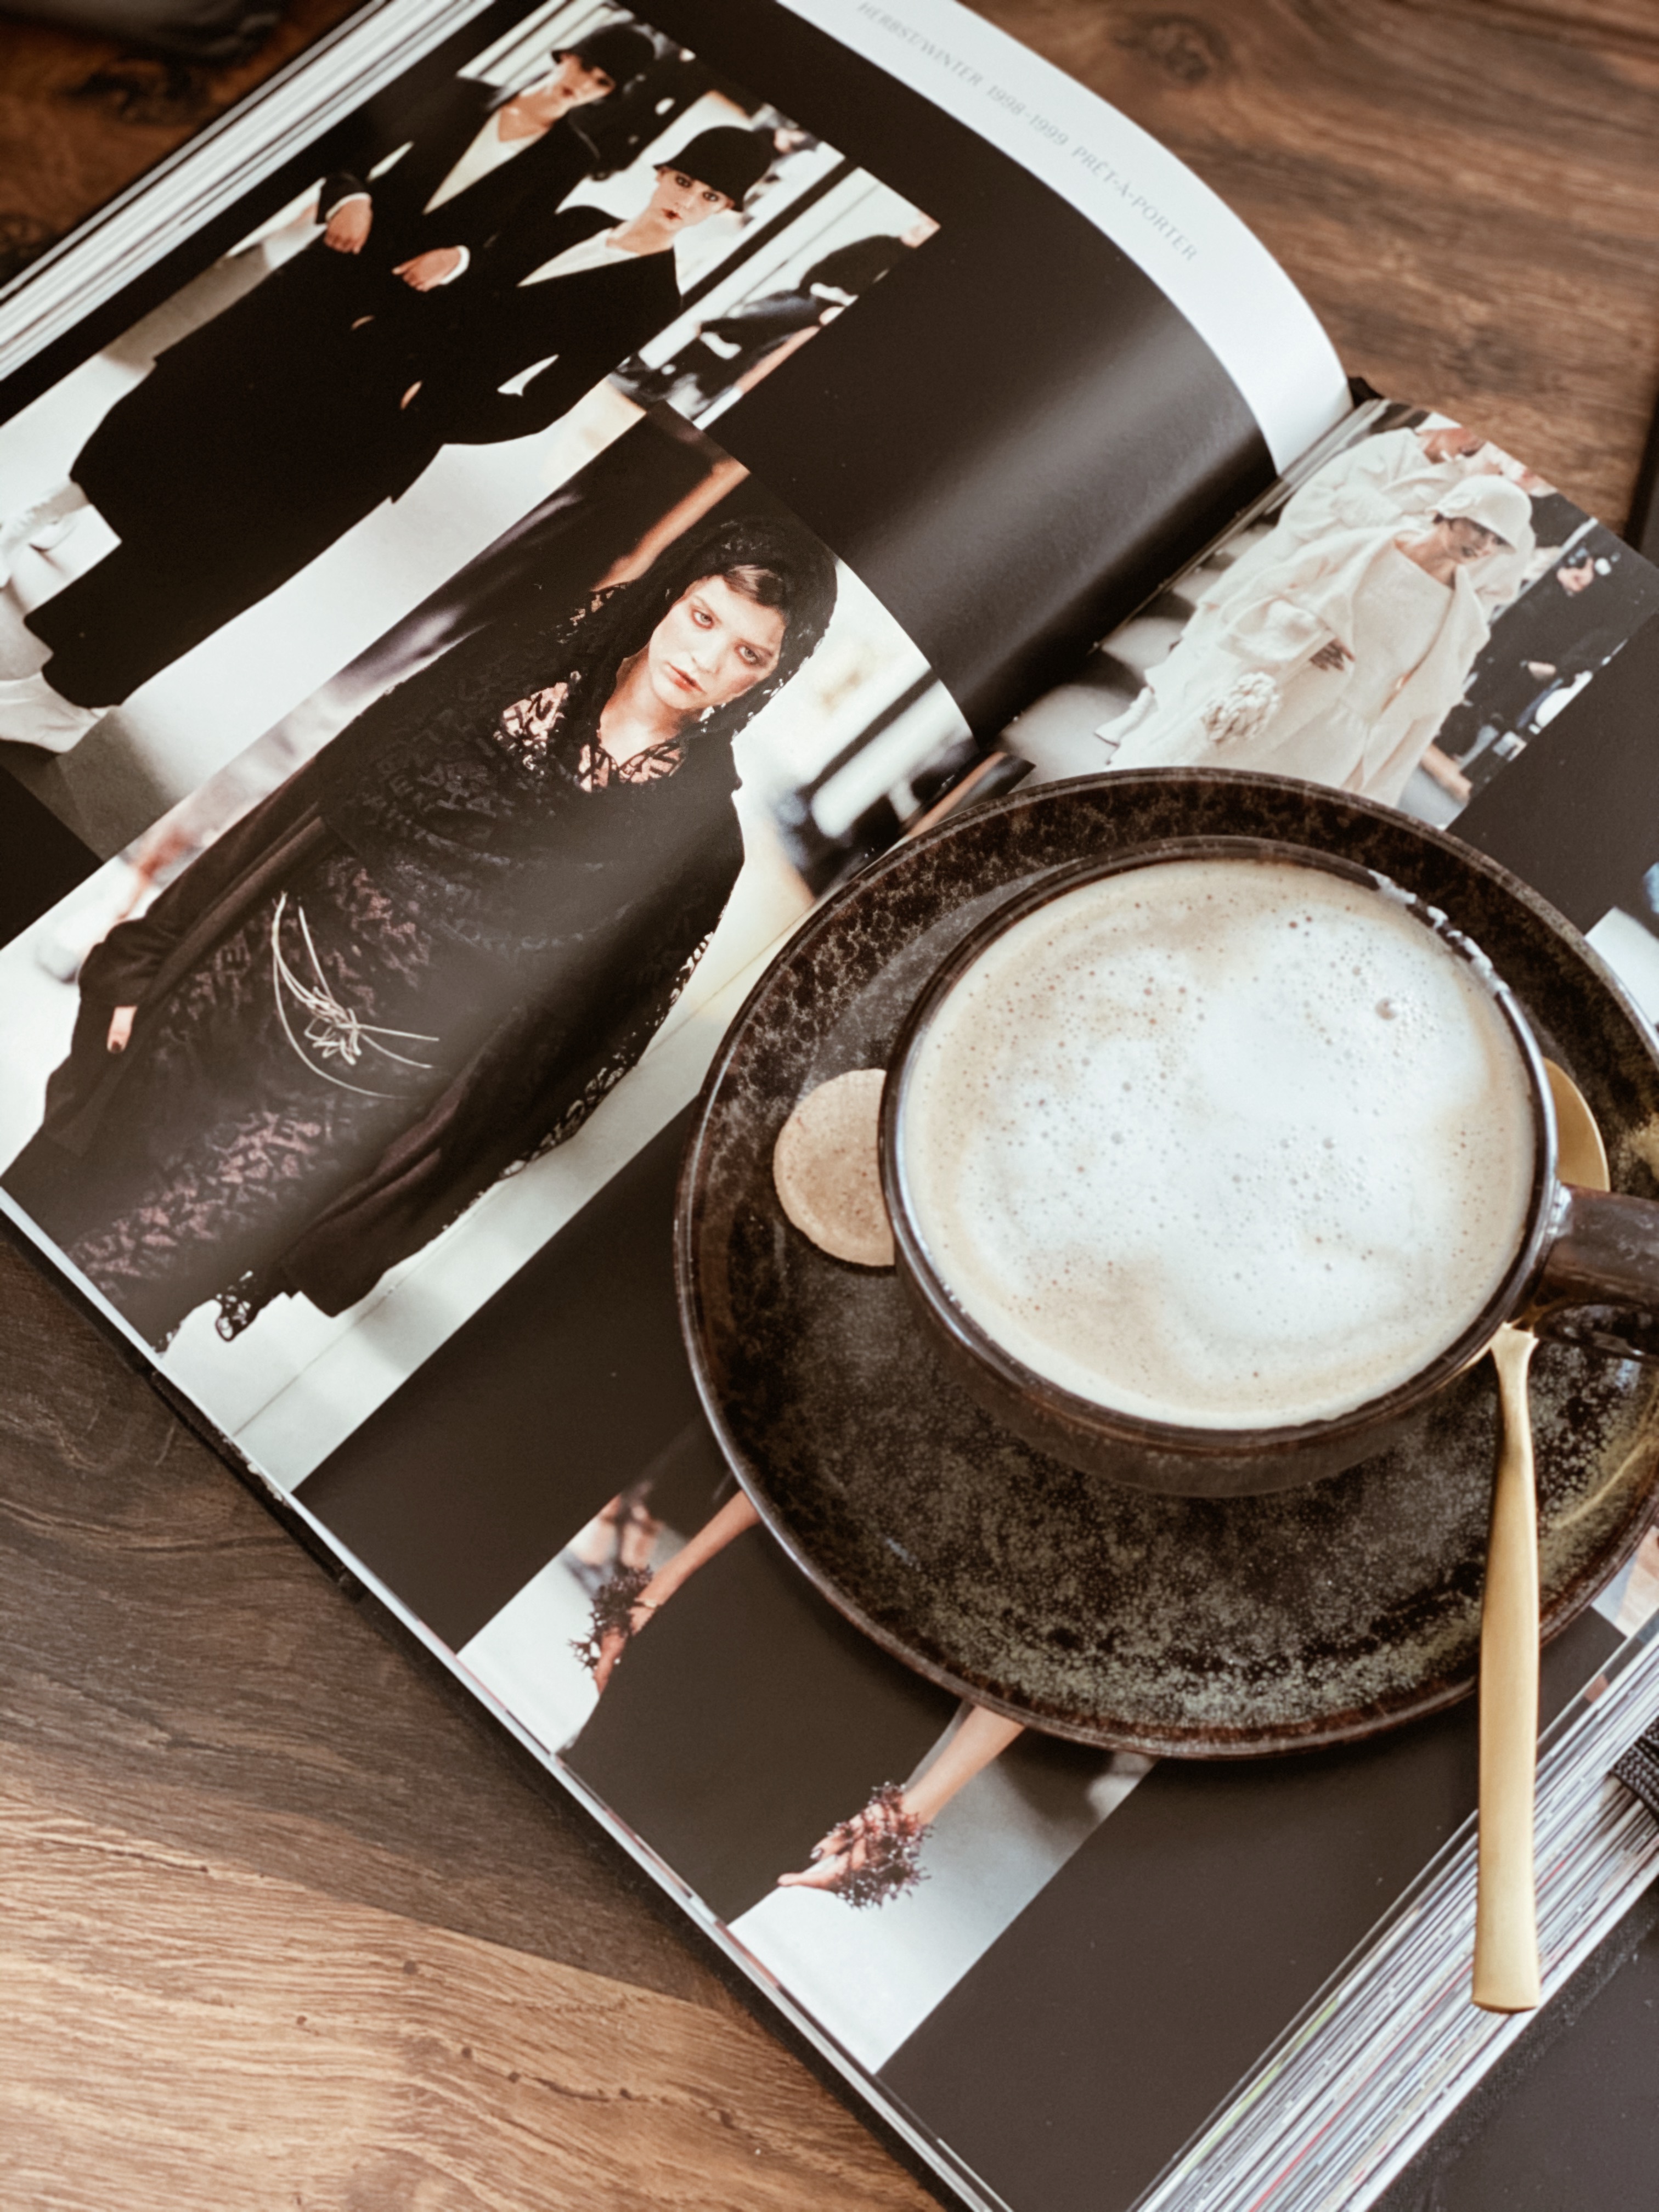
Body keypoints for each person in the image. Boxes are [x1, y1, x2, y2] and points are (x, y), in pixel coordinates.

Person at [3, 510, 837, 1350]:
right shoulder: (509, 665)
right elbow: (306, 805)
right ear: (673, 593)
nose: (707, 660)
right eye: (704, 617)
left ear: (772, 676)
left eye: (749, 654)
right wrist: (148, 955)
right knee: (44, 1207)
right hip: (226, 993)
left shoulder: (700, 851)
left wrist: (388, 1203)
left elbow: (565, 1061)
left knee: (116, 1297)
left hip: (342, 1108)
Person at [0, 121, 772, 754]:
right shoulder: (582, 222)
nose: (688, 202)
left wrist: (428, 410)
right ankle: (66, 658)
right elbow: (473, 280)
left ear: (723, 211)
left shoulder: (652, 297)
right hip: (352, 372)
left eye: (710, 197)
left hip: (393, 431)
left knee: (227, 563)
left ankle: (72, 706)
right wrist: (383, 326)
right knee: (194, 518)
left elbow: (542, 404)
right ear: (661, 172)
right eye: (685, 180)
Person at [0, 26, 657, 595]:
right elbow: (352, 155)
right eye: (585, 66)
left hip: (392, 308)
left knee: (251, 428)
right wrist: (350, 198)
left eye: (602, 83)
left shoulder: (573, 157)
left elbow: (514, 247)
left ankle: (111, 535)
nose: (583, 85)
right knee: (191, 382)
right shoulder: (463, 93)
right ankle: (45, 508)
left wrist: (457, 258)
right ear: (565, 54)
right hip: (328, 269)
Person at [1104, 476, 1534, 806]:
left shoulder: (1466, 621)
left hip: (1330, 748)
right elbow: (1257, 595)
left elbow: (1425, 714)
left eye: (1498, 541)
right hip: (1271, 700)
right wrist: (1306, 632)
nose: (1485, 546)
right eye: (1481, 528)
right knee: (1171, 789)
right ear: (1453, 511)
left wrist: (1374, 792)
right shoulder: (1363, 548)